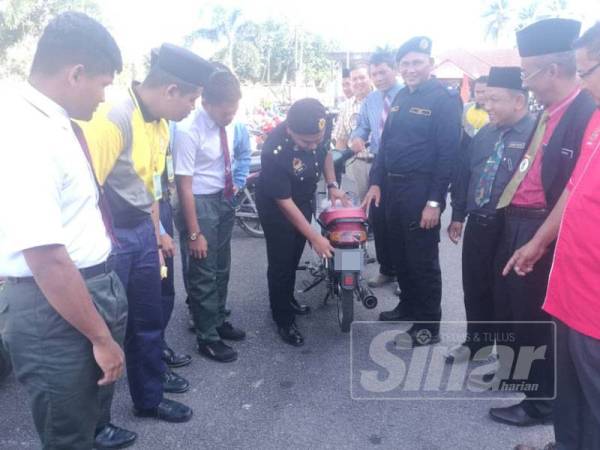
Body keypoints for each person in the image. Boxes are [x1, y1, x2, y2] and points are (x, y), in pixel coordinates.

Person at [0, 12, 130, 449]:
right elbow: (47, 258)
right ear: (76, 74)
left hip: (79, 296)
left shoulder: (54, 122)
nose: (103, 96)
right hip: (51, 308)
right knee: (68, 435)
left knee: (84, 419)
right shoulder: (25, 132)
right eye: (103, 84)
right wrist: (101, 337)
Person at [82, 43, 213, 427]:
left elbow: (151, 185)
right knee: (105, 331)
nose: (192, 107)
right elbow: (90, 193)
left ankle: (149, 399)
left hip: (141, 233)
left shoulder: (159, 123)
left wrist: (157, 236)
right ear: (171, 91)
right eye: (191, 99)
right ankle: (96, 423)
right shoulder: (114, 118)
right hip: (111, 239)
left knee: (147, 320)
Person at [488, 18, 596, 428]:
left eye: (527, 72)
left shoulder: (585, 111)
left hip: (546, 228)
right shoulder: (549, 111)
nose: (525, 82)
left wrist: (538, 238)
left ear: (553, 70)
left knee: (540, 323)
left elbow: (572, 189)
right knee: (518, 313)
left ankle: (541, 404)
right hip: (520, 222)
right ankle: (527, 384)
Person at [362, 36, 462, 344]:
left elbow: (448, 156)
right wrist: (376, 181)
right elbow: (385, 145)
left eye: (417, 62)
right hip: (392, 188)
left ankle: (428, 326)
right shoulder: (402, 97)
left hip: (420, 189)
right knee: (399, 253)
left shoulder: (444, 99)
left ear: (430, 64)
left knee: (422, 260)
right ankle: (407, 305)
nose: (410, 68)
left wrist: (435, 202)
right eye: (405, 63)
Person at [446, 67, 535, 364]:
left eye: (495, 99)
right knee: (475, 287)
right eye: (485, 98)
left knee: (507, 295)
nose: (486, 105)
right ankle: (477, 344)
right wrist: (458, 214)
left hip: (513, 227)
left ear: (518, 101)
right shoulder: (484, 133)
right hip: (479, 224)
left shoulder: (536, 134)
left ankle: (509, 360)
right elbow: (464, 175)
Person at [256, 99, 348, 346]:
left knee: (294, 254)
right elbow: (284, 202)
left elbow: (325, 151)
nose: (312, 146)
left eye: (316, 139)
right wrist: (315, 237)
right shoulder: (274, 150)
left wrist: (332, 185)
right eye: (306, 142)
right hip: (278, 206)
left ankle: (287, 298)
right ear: (289, 130)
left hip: (303, 197)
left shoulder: (319, 126)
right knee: (281, 262)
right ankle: (282, 319)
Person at [174, 69, 250, 363]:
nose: (230, 117)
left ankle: (217, 320)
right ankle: (207, 336)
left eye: (233, 111)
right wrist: (194, 232)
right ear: (207, 103)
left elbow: (235, 156)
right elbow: (184, 184)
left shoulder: (230, 124)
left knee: (221, 267)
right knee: (203, 271)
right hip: (199, 203)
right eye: (225, 112)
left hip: (223, 200)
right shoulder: (187, 129)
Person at [350, 51, 403, 288]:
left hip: (403, 168)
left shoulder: (407, 95)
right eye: (374, 73)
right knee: (379, 220)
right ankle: (387, 269)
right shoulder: (370, 100)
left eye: (383, 72)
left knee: (401, 223)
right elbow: (362, 127)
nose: (378, 77)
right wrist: (357, 139)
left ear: (395, 69)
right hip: (378, 167)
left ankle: (405, 276)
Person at [333, 62, 373, 201]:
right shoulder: (346, 106)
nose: (358, 82)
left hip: (380, 164)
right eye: (354, 79)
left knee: (380, 209)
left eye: (362, 77)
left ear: (370, 78)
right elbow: (341, 139)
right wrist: (336, 169)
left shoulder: (381, 101)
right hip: (355, 165)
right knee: (357, 210)